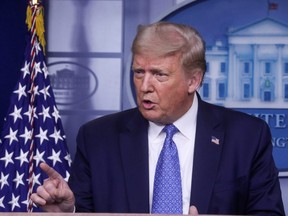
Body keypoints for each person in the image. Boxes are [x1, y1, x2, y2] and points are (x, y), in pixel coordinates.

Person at [31, 21, 285, 215]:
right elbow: (87, 212)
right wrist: (69, 213)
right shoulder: (98, 138)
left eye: (159, 75)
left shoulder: (246, 136)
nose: (144, 86)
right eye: (139, 72)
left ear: (193, 80)